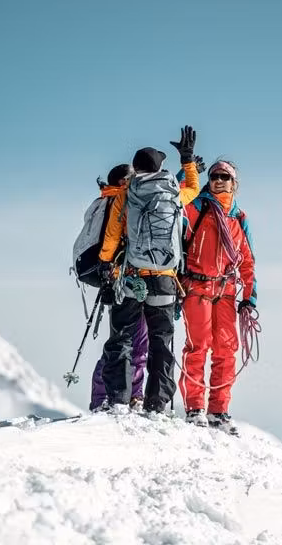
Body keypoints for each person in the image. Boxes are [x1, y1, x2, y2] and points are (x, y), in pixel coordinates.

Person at [96, 126, 200, 414]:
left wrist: (106, 265)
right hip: (165, 279)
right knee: (161, 342)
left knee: (123, 338)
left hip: (132, 278)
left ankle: (118, 399)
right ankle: (157, 402)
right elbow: (194, 186)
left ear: (136, 169)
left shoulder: (127, 194)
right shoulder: (174, 194)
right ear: (160, 167)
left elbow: (113, 235)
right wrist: (188, 158)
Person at [179, 160, 257, 434]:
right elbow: (173, 198)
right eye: (214, 176)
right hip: (197, 288)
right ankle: (195, 408)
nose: (219, 180)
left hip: (225, 292)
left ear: (234, 184)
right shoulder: (195, 208)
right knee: (197, 347)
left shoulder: (238, 218)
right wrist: (186, 167)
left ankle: (219, 411)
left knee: (226, 351)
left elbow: (247, 262)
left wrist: (249, 298)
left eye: (225, 177)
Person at [89, 164, 148, 412]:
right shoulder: (117, 202)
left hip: (119, 279)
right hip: (126, 279)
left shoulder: (108, 201)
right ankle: (124, 395)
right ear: (124, 182)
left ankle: (112, 395)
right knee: (131, 343)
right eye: (132, 178)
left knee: (121, 342)